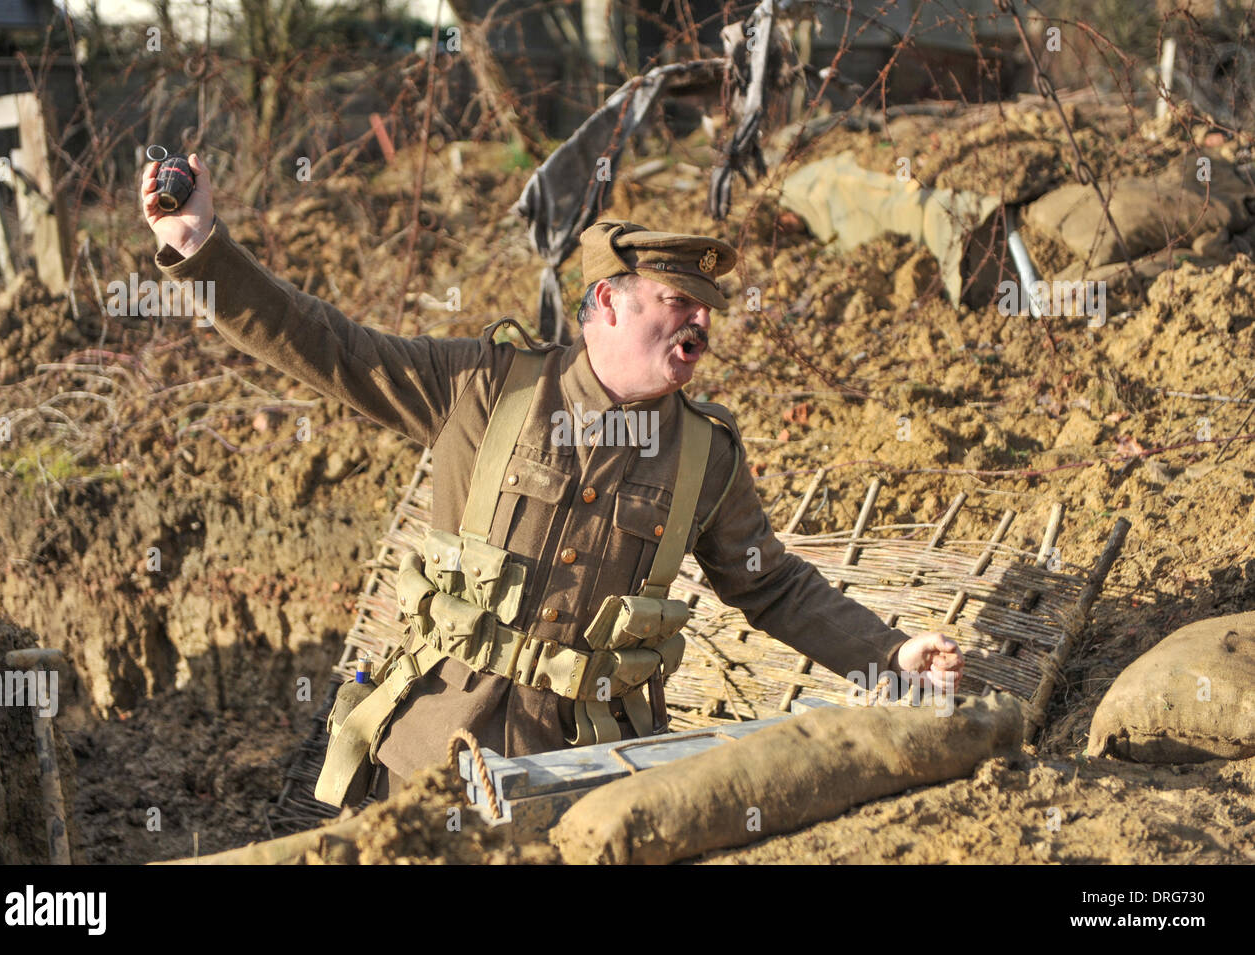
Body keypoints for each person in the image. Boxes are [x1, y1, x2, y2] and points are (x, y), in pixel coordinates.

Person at [141, 154, 963, 803]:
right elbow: (329, 346)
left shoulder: (706, 453)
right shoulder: (484, 385)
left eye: (709, 306)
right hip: (429, 758)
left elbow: (771, 584)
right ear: (606, 301)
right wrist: (201, 250)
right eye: (678, 300)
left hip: (592, 775)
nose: (701, 321)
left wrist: (890, 654)